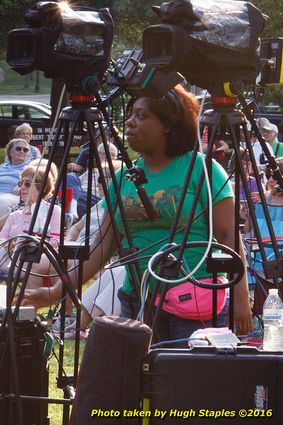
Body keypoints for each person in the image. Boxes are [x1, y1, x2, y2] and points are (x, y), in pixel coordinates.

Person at [16, 85, 252, 345]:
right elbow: (101, 247)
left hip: (193, 304)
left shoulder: (203, 169)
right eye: (130, 114)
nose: (129, 122)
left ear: (167, 125)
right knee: (140, 381)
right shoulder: (122, 178)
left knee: (185, 381)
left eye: (141, 116)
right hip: (137, 300)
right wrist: (55, 291)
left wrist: (241, 300)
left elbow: (229, 235)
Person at [0, 163, 61, 284]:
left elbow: (57, 241)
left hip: (33, 261)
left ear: (43, 187)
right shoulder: (15, 215)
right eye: (20, 183)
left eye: (27, 184)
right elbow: (2, 239)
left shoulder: (52, 211)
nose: (22, 188)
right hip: (8, 260)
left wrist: (34, 243)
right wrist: (9, 244)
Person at [0, 138, 32, 216]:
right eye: (18, 148)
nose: (22, 151)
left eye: (25, 150)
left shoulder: (28, 168)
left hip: (14, 197)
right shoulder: (2, 167)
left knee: (2, 201)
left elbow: (18, 189)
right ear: (10, 152)